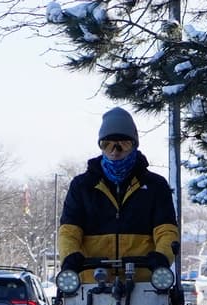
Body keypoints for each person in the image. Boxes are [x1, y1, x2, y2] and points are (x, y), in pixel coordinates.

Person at [58, 107, 179, 280]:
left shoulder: (155, 186)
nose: (115, 151)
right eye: (107, 144)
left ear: (134, 145)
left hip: (143, 282)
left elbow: (167, 231)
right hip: (92, 281)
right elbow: (69, 232)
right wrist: (70, 257)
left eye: (123, 144)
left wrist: (162, 257)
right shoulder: (82, 186)